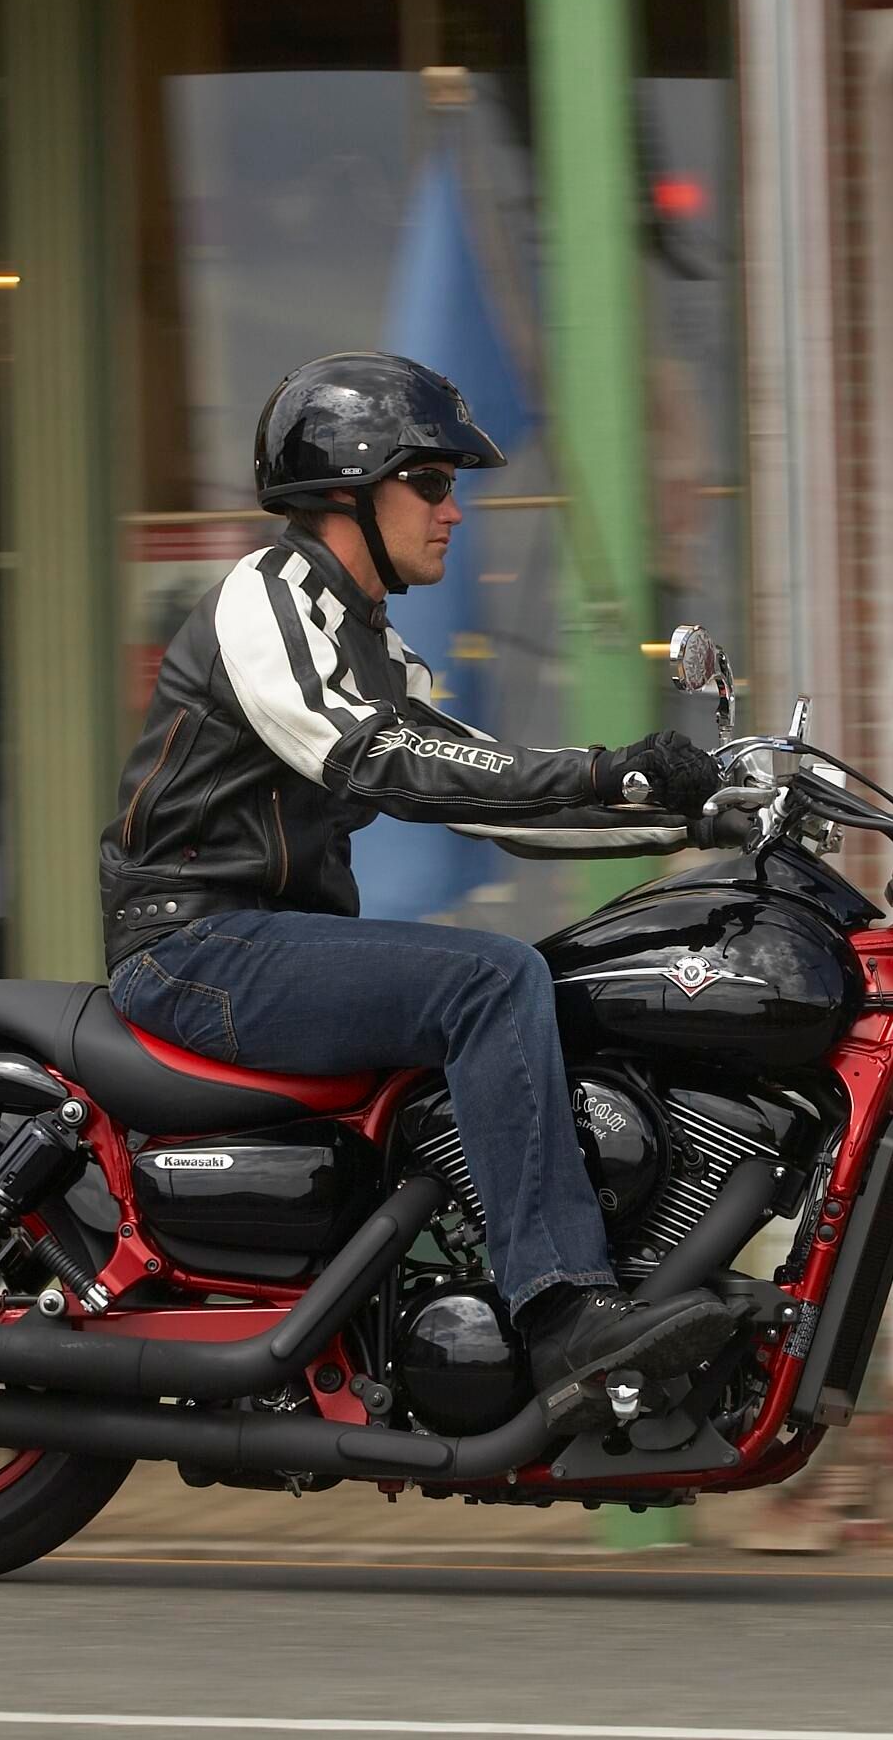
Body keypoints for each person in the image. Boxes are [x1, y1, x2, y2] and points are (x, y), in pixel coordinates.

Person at [99, 351, 733, 1427]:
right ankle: (562, 1311)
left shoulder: (370, 641)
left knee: (564, 982)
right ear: (349, 486)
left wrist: (686, 814)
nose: (455, 514)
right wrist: (602, 768)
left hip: (270, 942)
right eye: (432, 485)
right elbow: (371, 753)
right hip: (196, 944)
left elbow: (477, 791)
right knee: (490, 982)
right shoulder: (267, 598)